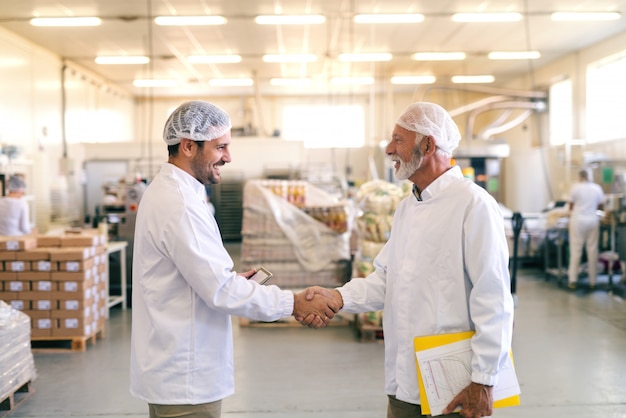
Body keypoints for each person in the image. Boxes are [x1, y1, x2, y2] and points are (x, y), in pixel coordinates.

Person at [301, 102, 515, 418]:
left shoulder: (473, 205)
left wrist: (483, 379)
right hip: (404, 382)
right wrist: (337, 297)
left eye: (398, 139)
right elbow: (387, 280)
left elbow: (493, 298)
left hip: (454, 386)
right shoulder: (407, 207)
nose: (389, 149)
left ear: (427, 144)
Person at [129, 100, 340, 418]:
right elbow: (220, 291)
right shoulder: (179, 204)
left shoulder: (174, 193)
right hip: (186, 379)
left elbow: (199, 278)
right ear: (188, 146)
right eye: (221, 147)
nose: (228, 157)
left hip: (177, 370)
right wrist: (294, 303)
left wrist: (229, 280)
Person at [567, 169, 605, 289]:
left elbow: (571, 207)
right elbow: (601, 205)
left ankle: (573, 280)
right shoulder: (597, 188)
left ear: (580, 176)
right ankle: (592, 281)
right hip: (592, 220)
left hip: (578, 220)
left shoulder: (575, 188)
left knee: (576, 250)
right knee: (593, 251)